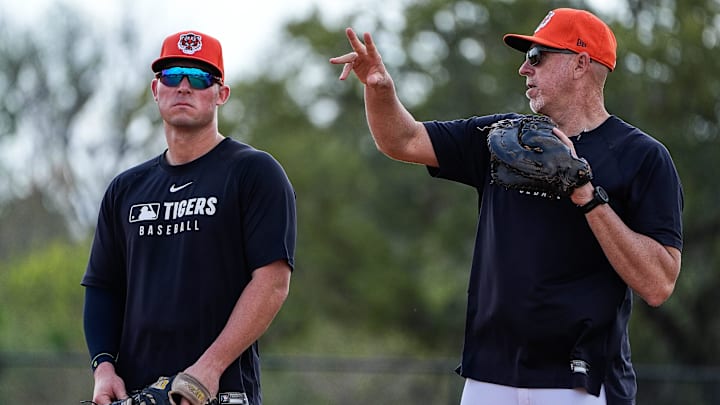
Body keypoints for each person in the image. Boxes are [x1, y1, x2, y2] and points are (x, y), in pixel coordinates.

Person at [330, 7, 682, 405]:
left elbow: (658, 284)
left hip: (580, 383)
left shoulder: (642, 156)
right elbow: (403, 141)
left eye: (537, 56)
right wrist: (379, 89)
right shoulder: (502, 137)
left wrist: (585, 192)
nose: (524, 69)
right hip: (489, 377)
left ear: (581, 64)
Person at [82, 30, 297, 405]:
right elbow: (103, 286)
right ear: (156, 89)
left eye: (198, 78)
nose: (183, 86)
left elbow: (272, 283)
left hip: (220, 390)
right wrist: (103, 368)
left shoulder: (254, 172)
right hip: (137, 392)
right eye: (171, 76)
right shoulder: (125, 189)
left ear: (221, 94)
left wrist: (207, 370)